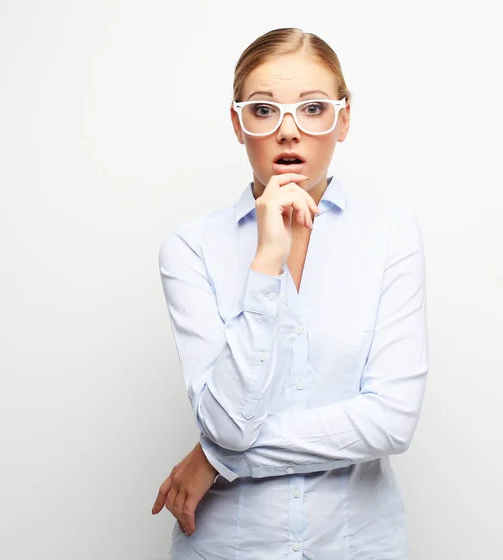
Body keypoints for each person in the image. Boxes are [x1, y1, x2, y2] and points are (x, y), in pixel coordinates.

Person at [152, 27, 428, 560]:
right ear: (238, 123)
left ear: (343, 119)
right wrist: (266, 263)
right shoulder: (191, 247)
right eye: (264, 110)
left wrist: (216, 459)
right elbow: (227, 423)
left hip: (357, 545)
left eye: (312, 108)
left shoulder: (391, 234)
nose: (288, 132)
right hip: (228, 547)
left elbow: (391, 420)